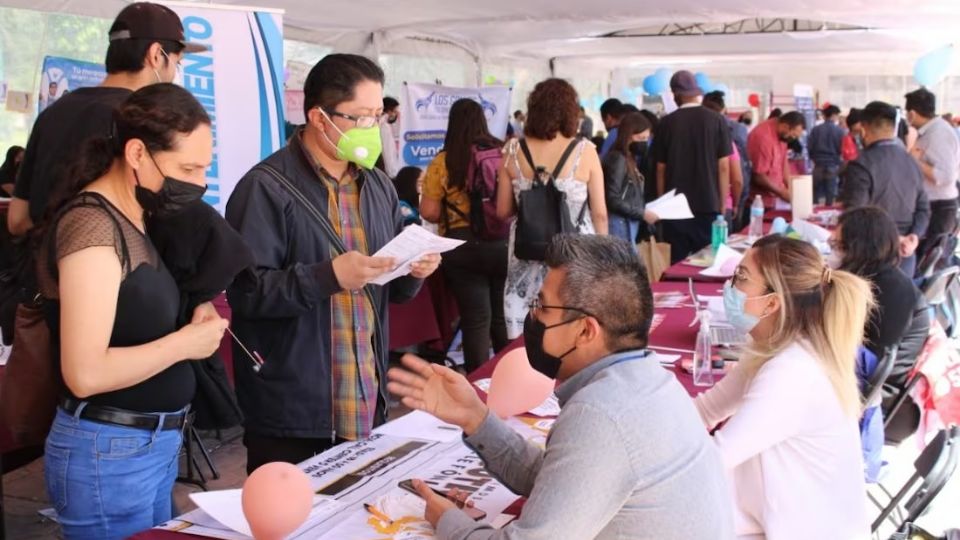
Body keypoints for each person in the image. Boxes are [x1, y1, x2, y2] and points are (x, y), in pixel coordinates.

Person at [387, 234, 735, 540]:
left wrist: (450, 523)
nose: (532, 317)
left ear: (586, 331)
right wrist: (476, 418)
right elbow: (558, 481)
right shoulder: (647, 379)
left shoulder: (601, 413)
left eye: (542, 306)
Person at [225, 54, 441, 474]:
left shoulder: (376, 183)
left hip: (364, 398)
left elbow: (390, 287)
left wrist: (414, 270)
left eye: (378, 116)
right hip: (293, 410)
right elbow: (247, 292)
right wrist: (329, 277)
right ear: (319, 117)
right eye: (360, 117)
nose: (371, 128)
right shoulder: (266, 188)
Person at [35, 84, 228, 539]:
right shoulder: (93, 227)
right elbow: (84, 372)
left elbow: (135, 312)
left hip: (145, 445)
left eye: (203, 168)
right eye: (187, 168)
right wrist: (184, 344)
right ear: (137, 152)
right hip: (110, 451)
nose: (198, 182)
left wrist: (191, 311)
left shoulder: (134, 216)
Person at [695, 234, 872, 538]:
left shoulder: (792, 372)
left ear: (773, 302)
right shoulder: (772, 348)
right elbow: (706, 410)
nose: (729, 286)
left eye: (741, 277)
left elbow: (713, 460)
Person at [9, 2, 205, 238]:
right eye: (177, 62)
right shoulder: (142, 122)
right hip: (109, 271)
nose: (175, 73)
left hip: (36, 268)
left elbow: (17, 219)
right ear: (155, 55)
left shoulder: (53, 112)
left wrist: (53, 242)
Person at [497, 78, 607, 339]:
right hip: (578, 253)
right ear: (571, 111)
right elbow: (600, 212)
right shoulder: (585, 151)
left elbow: (502, 211)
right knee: (575, 322)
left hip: (527, 252)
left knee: (527, 326)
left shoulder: (513, 150)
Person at [420, 99, 508, 372]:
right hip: (501, 242)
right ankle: (510, 378)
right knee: (503, 317)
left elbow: (429, 211)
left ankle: (478, 384)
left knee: (475, 319)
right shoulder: (502, 153)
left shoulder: (443, 161)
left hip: (461, 246)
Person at [829, 207, 931, 443]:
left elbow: (861, 363)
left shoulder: (889, 292)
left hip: (877, 399)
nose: (833, 254)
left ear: (859, 249)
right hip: (863, 385)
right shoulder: (873, 278)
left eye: (839, 247)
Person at [839, 101, 930, 277]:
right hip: (906, 256)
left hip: (872, 255)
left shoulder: (861, 165)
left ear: (863, 130)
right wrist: (913, 236)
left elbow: (855, 214)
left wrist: (894, 239)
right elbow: (923, 209)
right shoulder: (912, 162)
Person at [653, 70, 732, 263]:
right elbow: (723, 166)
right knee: (708, 263)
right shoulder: (717, 120)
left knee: (677, 264)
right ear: (696, 93)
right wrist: (722, 202)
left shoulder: (666, 123)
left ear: (675, 94)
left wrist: (662, 204)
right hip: (708, 204)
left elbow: (660, 169)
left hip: (674, 207)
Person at [905, 88, 960, 262]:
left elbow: (945, 176)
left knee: (925, 261)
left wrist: (915, 161)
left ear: (912, 113)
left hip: (938, 208)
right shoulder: (932, 131)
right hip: (933, 205)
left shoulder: (939, 134)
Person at [602, 112, 658, 246]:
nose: (644, 143)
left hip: (627, 223)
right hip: (620, 225)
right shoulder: (618, 159)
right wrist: (642, 213)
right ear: (628, 136)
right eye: (640, 138)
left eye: (646, 138)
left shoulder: (630, 158)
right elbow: (612, 198)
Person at [702, 91, 747, 225]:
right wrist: (735, 204)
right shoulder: (727, 140)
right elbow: (737, 180)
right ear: (723, 111)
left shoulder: (690, 139)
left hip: (693, 206)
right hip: (721, 206)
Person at [746, 110, 806, 205]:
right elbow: (758, 176)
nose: (793, 139)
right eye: (793, 135)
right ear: (786, 126)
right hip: (758, 202)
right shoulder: (763, 137)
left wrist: (790, 185)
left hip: (774, 197)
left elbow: (783, 161)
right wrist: (782, 193)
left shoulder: (782, 134)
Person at [807, 104, 845, 205]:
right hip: (833, 165)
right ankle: (828, 211)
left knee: (815, 192)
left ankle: (814, 212)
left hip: (818, 165)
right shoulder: (840, 131)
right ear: (833, 115)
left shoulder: (816, 130)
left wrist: (814, 158)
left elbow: (809, 147)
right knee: (830, 193)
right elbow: (842, 149)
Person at [378, 96, 402, 178]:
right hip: (388, 171)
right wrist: (393, 172)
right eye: (394, 111)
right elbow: (388, 151)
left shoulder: (384, 125)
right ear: (388, 111)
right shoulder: (384, 127)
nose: (396, 114)